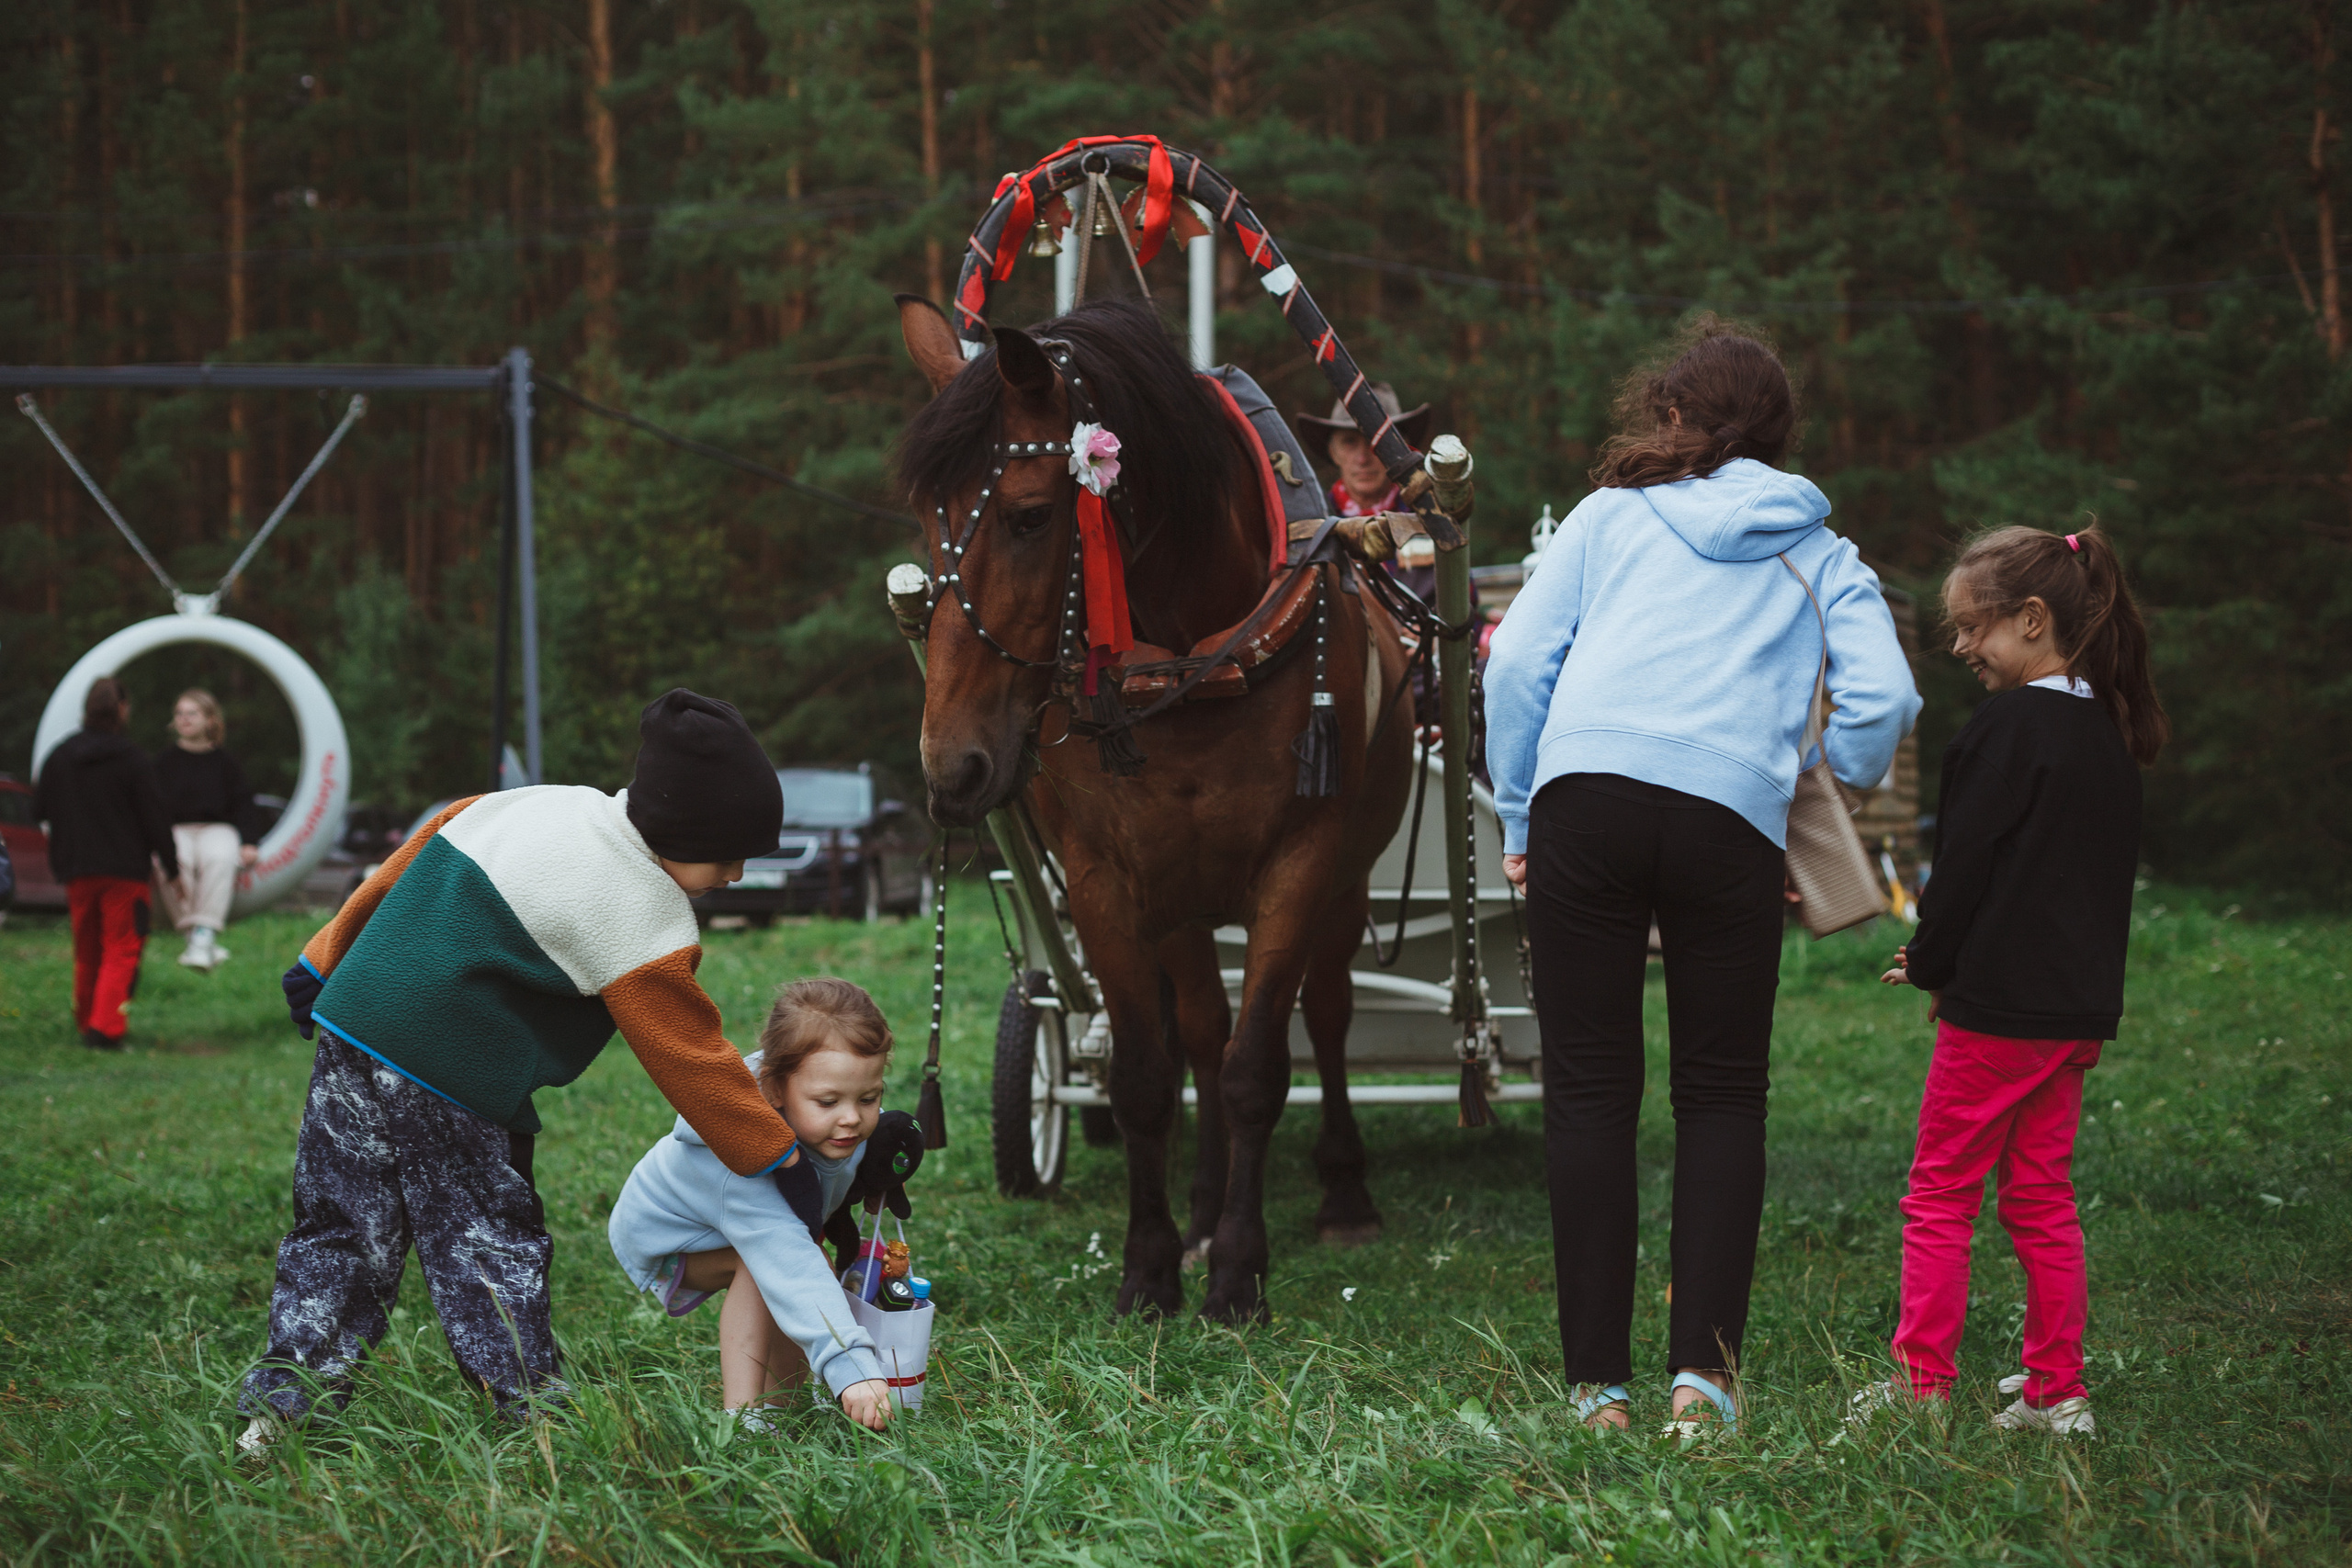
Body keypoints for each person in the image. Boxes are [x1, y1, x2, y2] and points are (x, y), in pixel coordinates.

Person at [1483, 316, 1920, 1440]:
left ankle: (1596, 1392)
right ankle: (1703, 1384)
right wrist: (1823, 774)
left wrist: (1525, 808)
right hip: (1731, 820)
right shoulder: (1820, 549)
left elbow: (1521, 662)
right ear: (1776, 433)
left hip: (1586, 799)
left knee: (1589, 1091)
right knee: (1721, 1095)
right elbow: (1886, 703)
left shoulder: (1606, 519)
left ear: (1674, 417)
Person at [239, 688, 794, 1454]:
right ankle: (532, 1416)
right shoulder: (644, 909)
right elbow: (690, 1055)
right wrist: (772, 1150)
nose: (735, 873)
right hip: (453, 1066)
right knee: (485, 1237)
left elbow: (404, 860)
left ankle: (281, 1409)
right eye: (729, 853)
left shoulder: (538, 803)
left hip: (357, 1022)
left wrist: (322, 954)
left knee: (339, 1221)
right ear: (681, 830)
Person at [1857, 525, 2166, 1439]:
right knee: (2038, 1197)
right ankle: (2054, 1391)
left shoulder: (2003, 731)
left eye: (1972, 628)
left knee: (1939, 1193)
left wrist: (1930, 964)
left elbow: (1960, 870)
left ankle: (1921, 1386)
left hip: (1996, 1014)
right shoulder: (2107, 738)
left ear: (2032, 620)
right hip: (2073, 1013)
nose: (1959, 648)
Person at [609, 977, 927, 1434]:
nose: (852, 1118)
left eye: (869, 1098)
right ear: (774, 1090)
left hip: (746, 1229)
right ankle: (744, 1419)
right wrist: (852, 1365)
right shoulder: (740, 1157)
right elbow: (785, 1256)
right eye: (828, 1101)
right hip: (667, 1236)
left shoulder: (833, 1117)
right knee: (768, 1267)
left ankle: (788, 1403)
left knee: (800, 1261)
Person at [33, 678, 180, 1052]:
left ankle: (87, 1022)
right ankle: (106, 1029)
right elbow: (154, 817)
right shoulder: (132, 759)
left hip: (76, 869)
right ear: (122, 709)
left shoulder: (59, 756)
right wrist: (172, 865)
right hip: (124, 871)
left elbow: (39, 809)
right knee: (122, 946)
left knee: (86, 949)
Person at [152, 688, 264, 971]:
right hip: (177, 829)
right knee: (175, 860)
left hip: (217, 828)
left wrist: (249, 841)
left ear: (210, 720)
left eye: (192, 713)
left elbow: (244, 804)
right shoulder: (162, 763)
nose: (184, 719)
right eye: (179, 714)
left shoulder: (227, 763)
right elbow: (150, 806)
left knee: (220, 859)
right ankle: (198, 938)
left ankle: (201, 936)